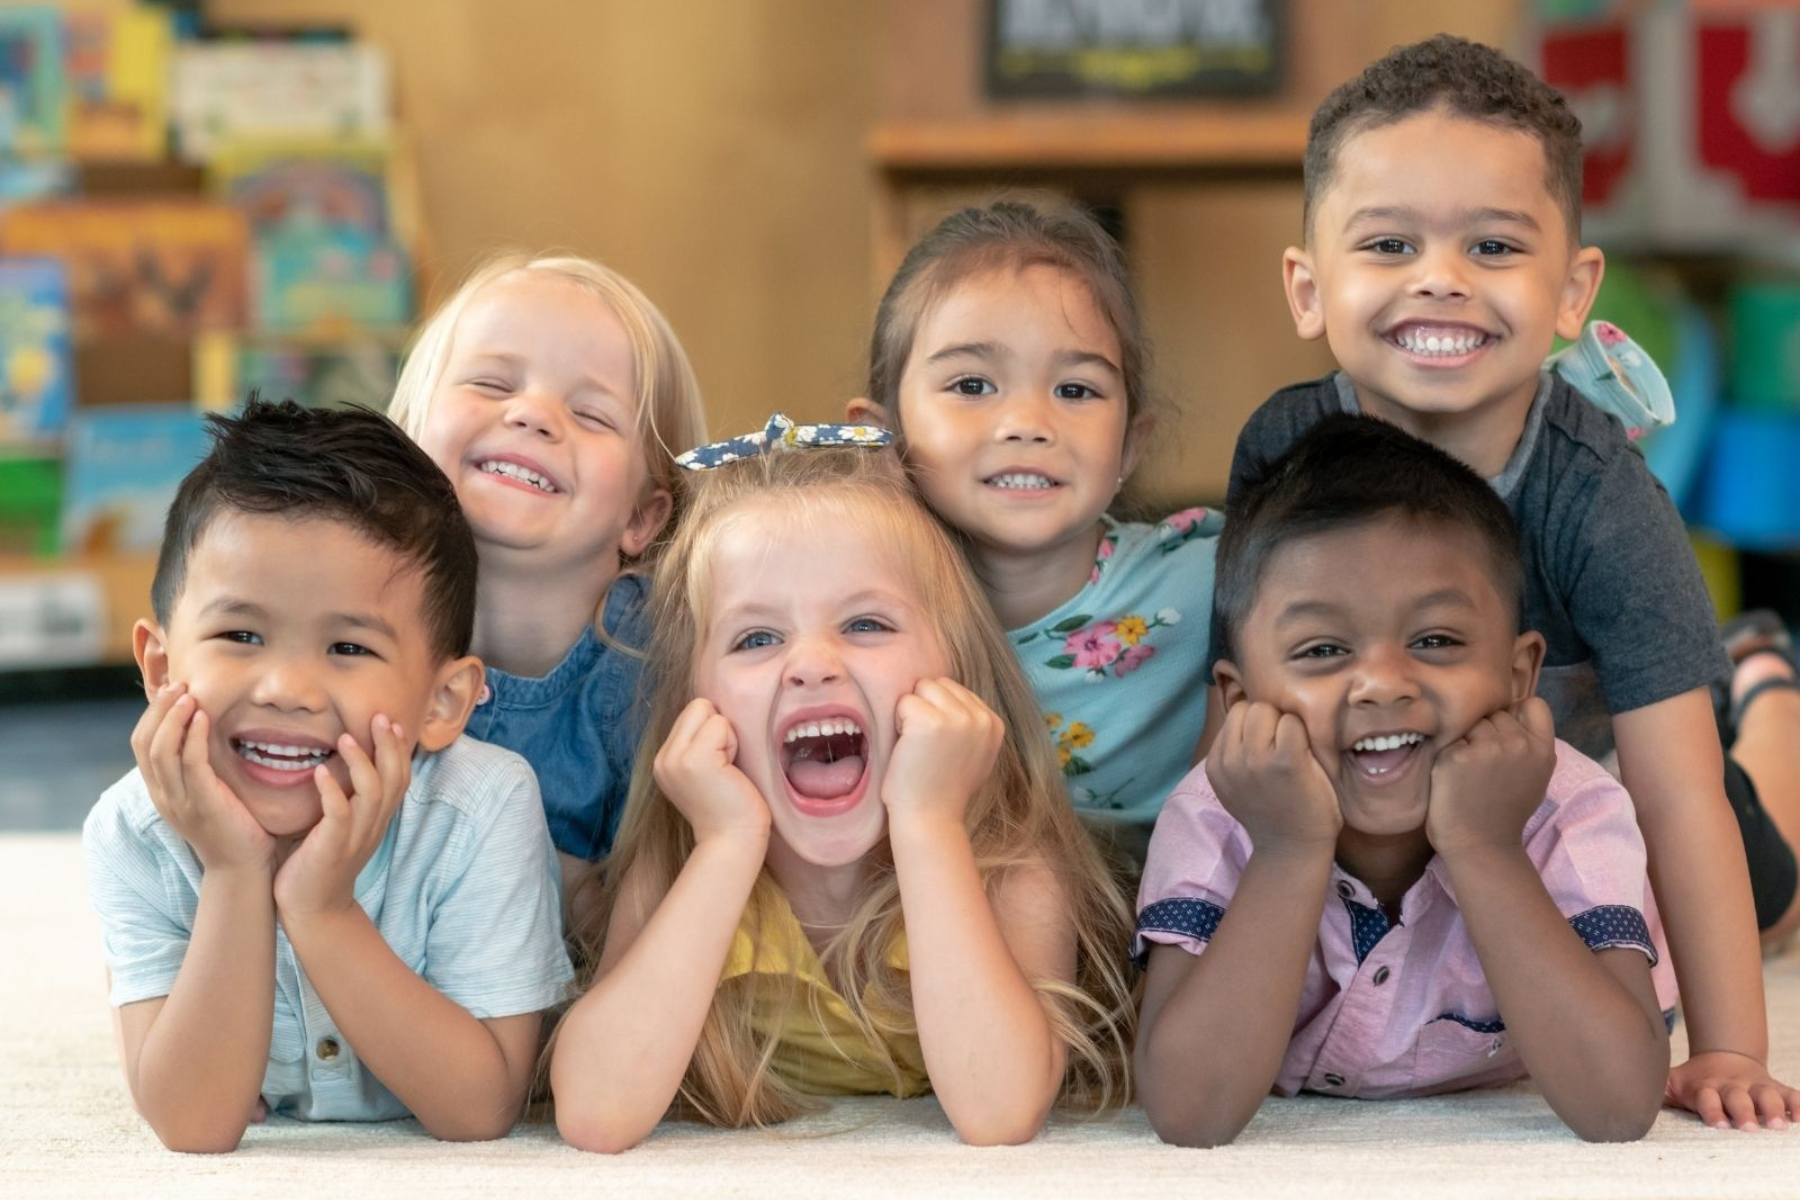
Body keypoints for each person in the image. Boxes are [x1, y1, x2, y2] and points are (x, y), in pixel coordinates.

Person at [1226, 33, 1800, 1130]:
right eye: (1389, 243)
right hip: (1407, 789)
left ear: (1573, 289)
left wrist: (1728, 1047)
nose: (1439, 277)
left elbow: (1675, 797)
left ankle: (1767, 690)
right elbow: (1244, 701)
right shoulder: (1284, 448)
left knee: (1768, 889)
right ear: (1309, 287)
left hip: (1606, 776)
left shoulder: (1602, 501)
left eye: (1493, 247)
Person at [548, 418, 1133, 1151]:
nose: (811, 663)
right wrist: (727, 845)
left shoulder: (1007, 863)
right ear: (693, 703)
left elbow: (1001, 1110)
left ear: (956, 675)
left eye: (865, 625)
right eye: (756, 638)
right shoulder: (677, 863)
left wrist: (929, 825)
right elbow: (595, 1114)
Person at [1138, 414, 1674, 1146]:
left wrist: (1486, 847)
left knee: (1772, 888)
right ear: (1239, 699)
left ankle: (1765, 697)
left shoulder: (1572, 810)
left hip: (1637, 847)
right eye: (1324, 649)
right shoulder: (1214, 814)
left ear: (1520, 676)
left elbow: (1618, 1106)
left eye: (1435, 640)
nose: (1383, 685)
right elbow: (1187, 1112)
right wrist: (1287, 850)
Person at [82, 400, 572, 1151]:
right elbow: (192, 1126)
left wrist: (323, 908)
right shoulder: (134, 828)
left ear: (444, 703)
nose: (287, 688)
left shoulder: (480, 807)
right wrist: (233, 872)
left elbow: (480, 1110)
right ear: (159, 667)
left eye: (348, 648)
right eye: (240, 634)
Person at [847, 200, 1224, 849]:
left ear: (1130, 447)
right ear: (879, 438)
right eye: (971, 385)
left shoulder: (1215, 584)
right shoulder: (848, 623)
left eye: (1075, 391)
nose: (1027, 422)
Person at [387, 252, 709, 912]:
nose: (532, 414)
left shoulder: (664, 670)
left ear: (643, 518)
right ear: (408, 438)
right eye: (492, 384)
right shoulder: (342, 619)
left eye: (592, 415)